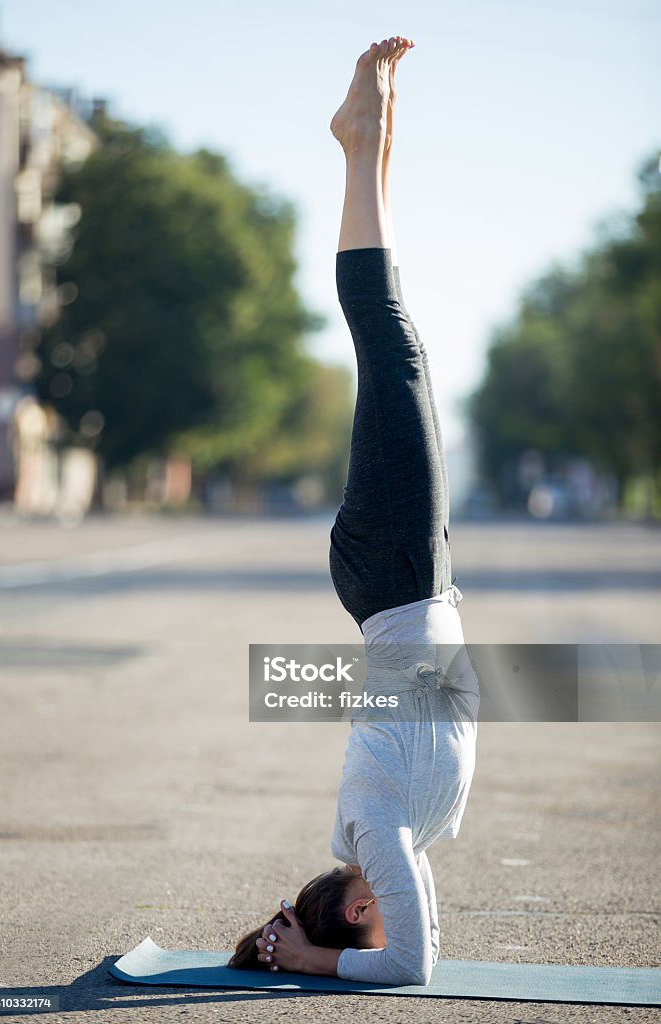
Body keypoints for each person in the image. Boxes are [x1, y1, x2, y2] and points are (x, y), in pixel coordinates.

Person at [229, 36, 480, 986]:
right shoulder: (407, 832)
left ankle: (358, 144)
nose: (394, 916)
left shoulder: (378, 825)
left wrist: (307, 955)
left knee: (390, 343)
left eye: (369, 924)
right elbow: (407, 940)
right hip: (419, 576)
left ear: (359, 901)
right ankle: (368, 153)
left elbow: (412, 968)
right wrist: (306, 945)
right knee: (396, 347)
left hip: (394, 574)